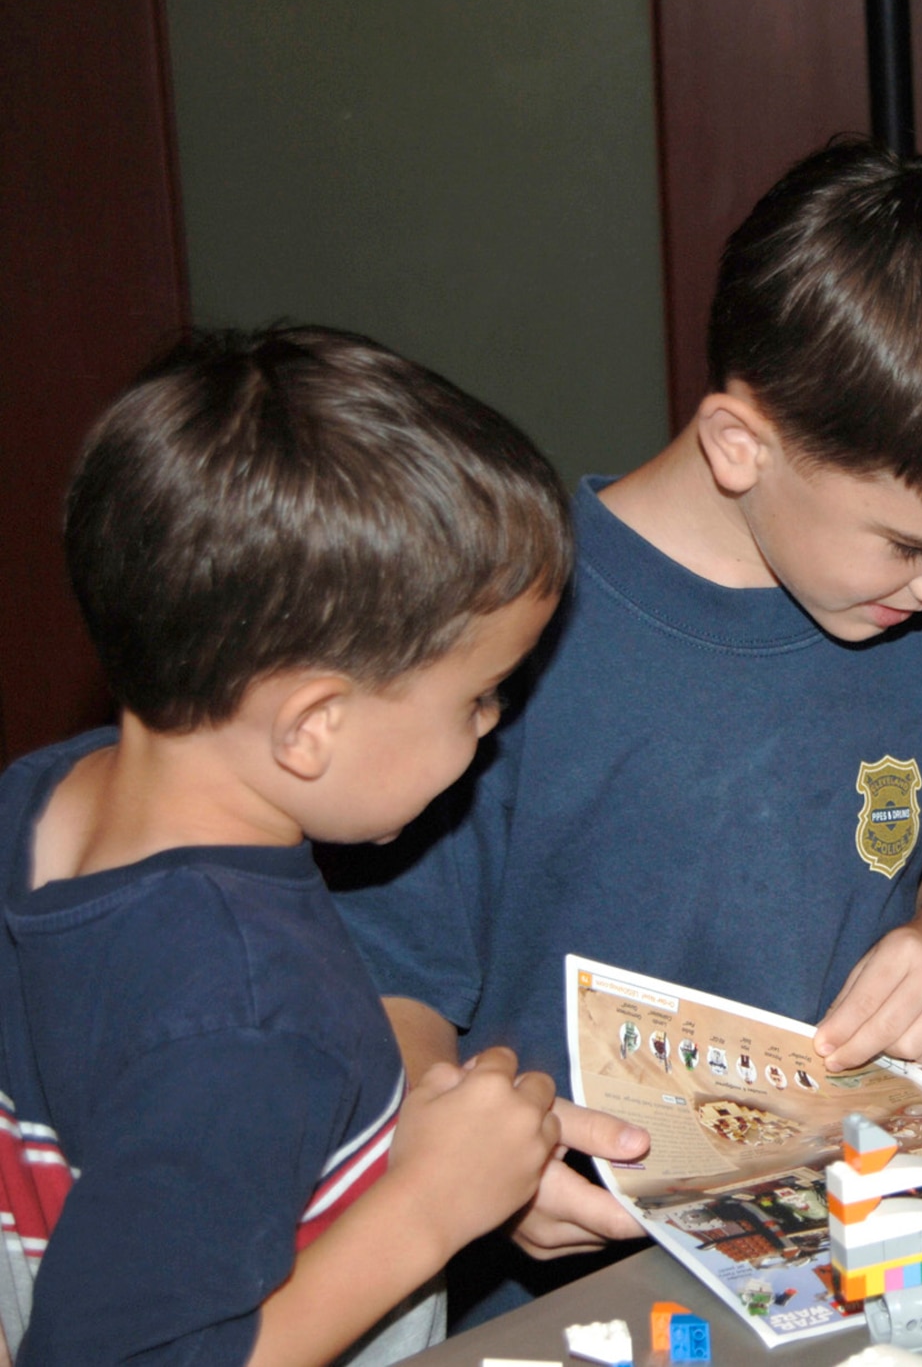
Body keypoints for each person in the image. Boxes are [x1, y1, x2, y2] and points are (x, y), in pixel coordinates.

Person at [331, 137, 922, 1320]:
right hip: (557, 1277)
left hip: (858, 1253)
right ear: (740, 446)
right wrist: (466, 1157)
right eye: (911, 545)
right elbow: (395, 984)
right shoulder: (500, 639)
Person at [0, 327, 574, 1363]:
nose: (493, 725)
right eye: (479, 695)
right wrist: (430, 1207)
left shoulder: (32, 805)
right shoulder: (249, 1011)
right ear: (312, 725)